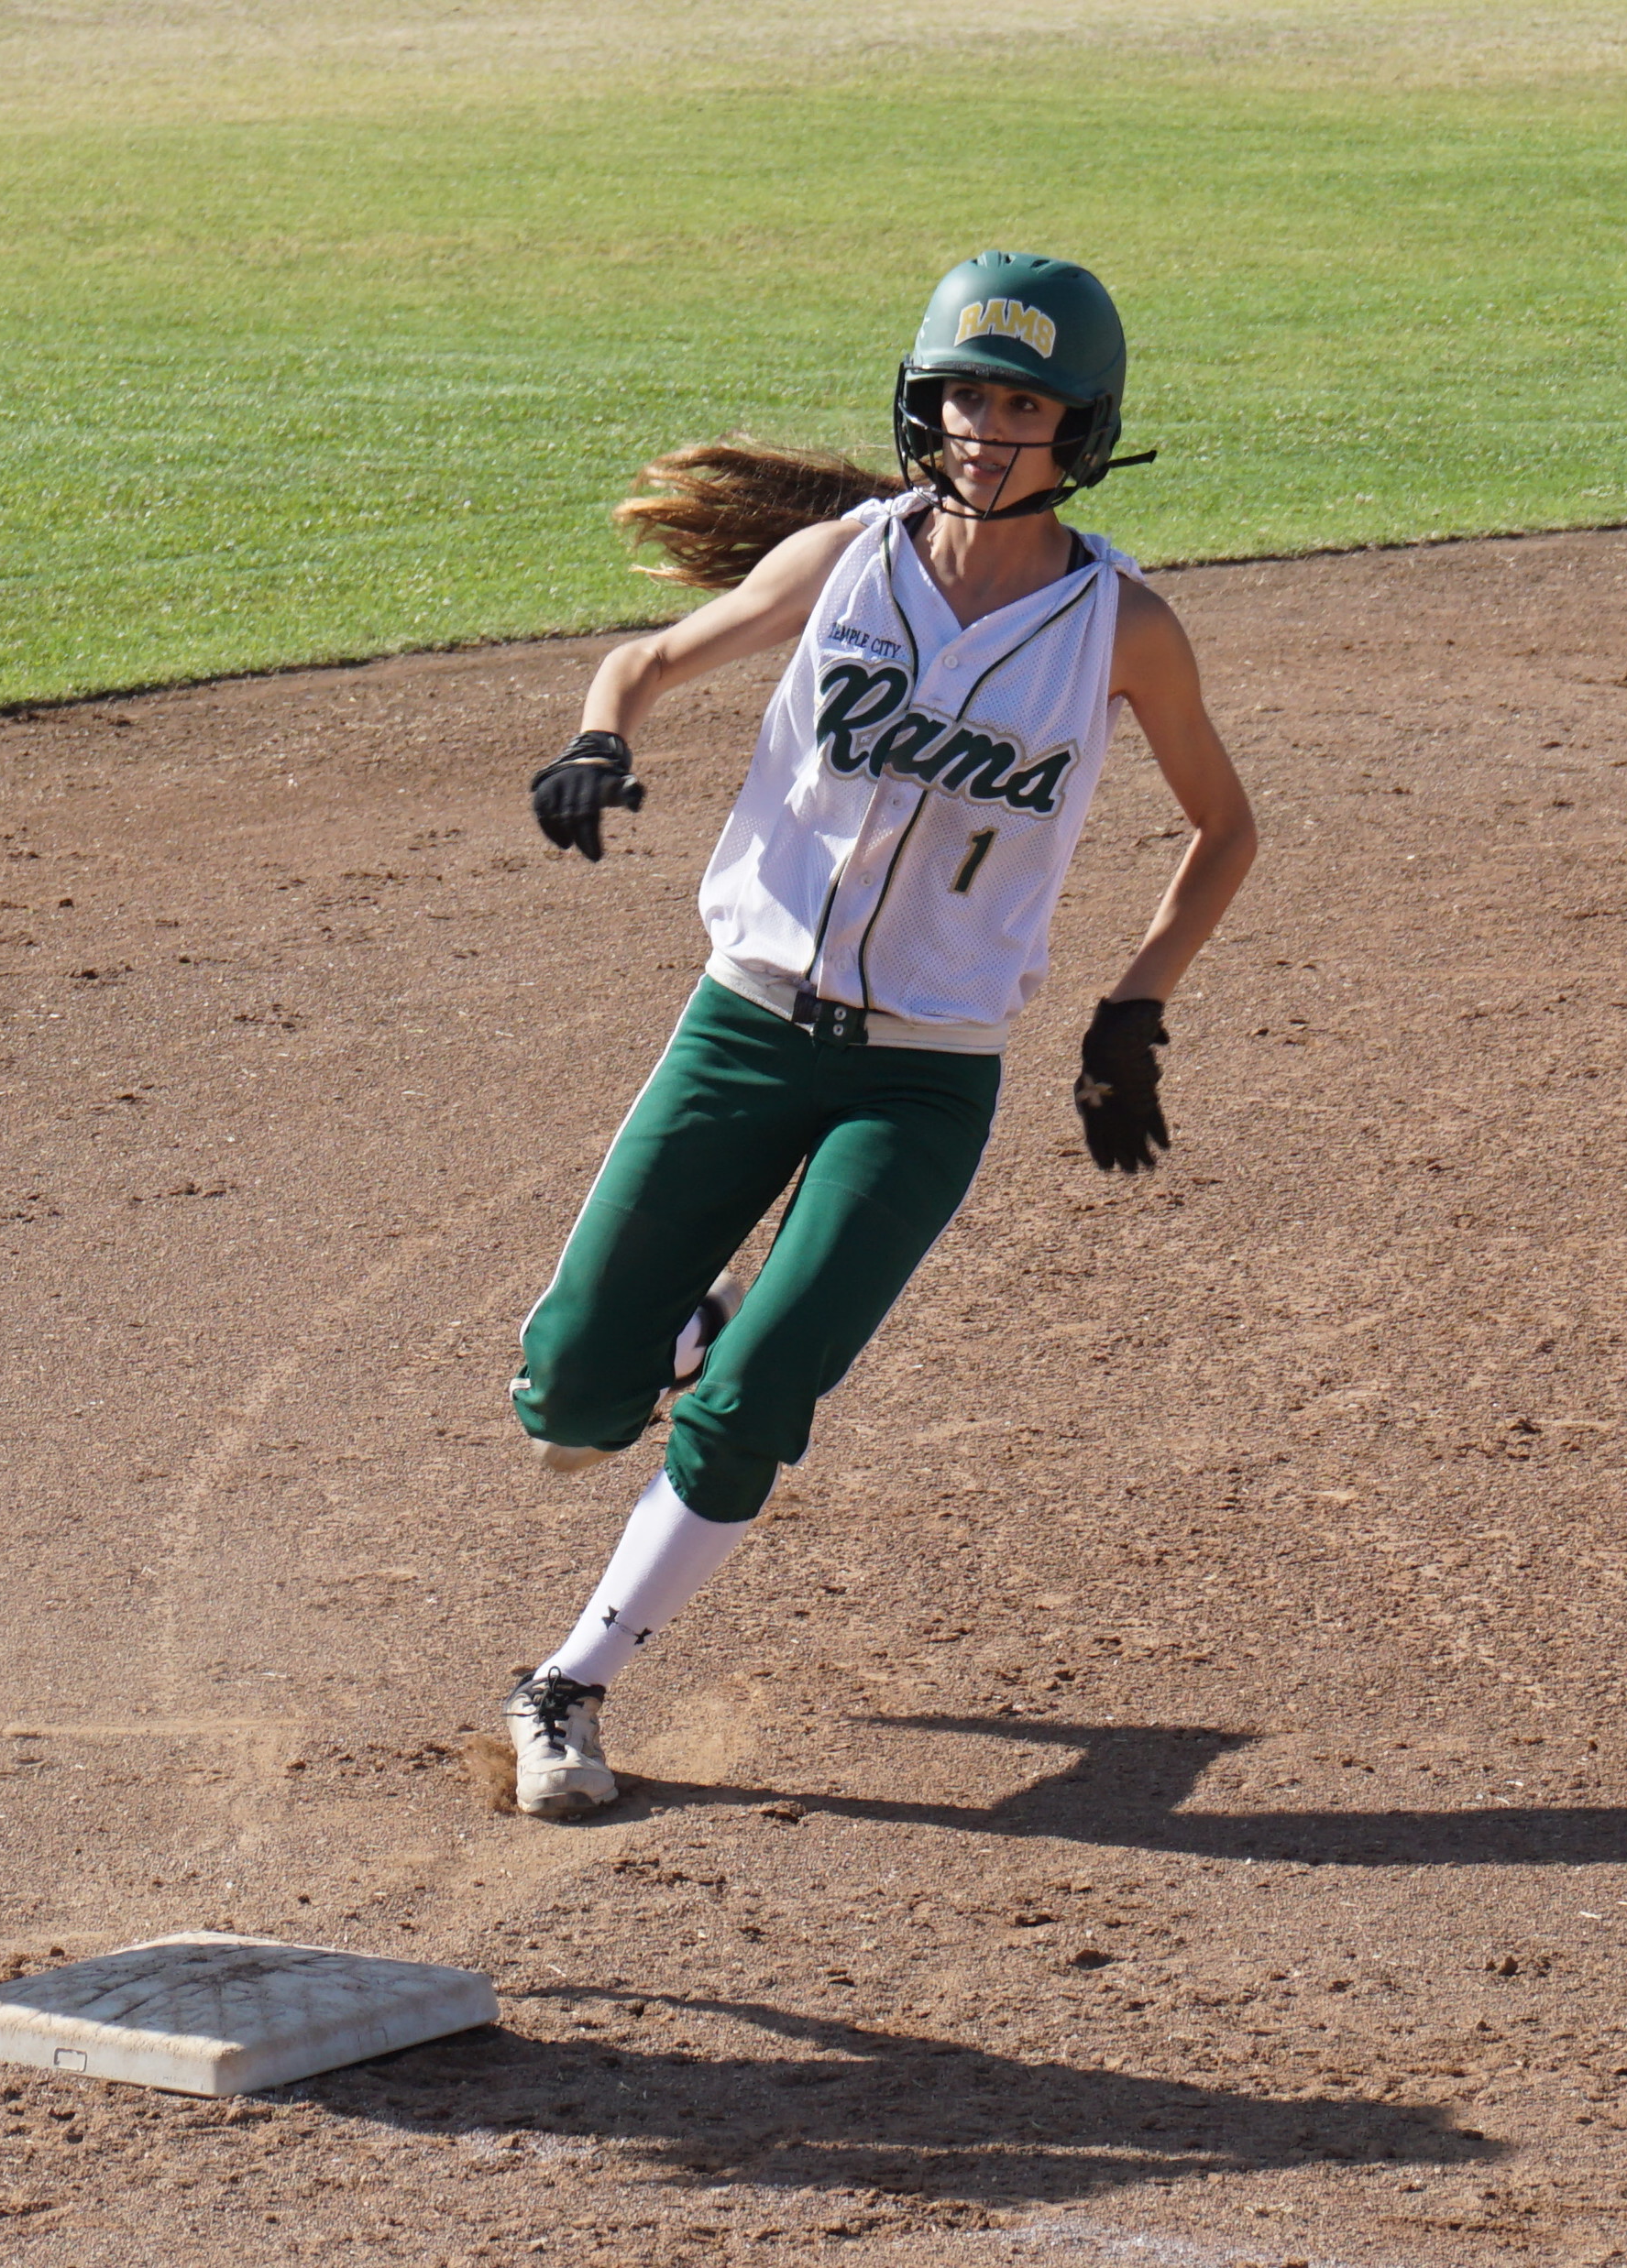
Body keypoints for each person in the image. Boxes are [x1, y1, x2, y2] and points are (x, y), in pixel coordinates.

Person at [504, 249, 1257, 1817]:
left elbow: (1224, 829)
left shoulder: (1124, 626)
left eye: (1026, 403)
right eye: (969, 394)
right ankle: (692, 1330)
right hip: (746, 1029)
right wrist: (597, 737)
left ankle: (567, 1685)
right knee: (571, 1398)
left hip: (924, 1077)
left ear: (1085, 428)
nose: (990, 428)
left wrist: (1135, 1010)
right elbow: (646, 661)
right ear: (930, 404)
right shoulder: (842, 561)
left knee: (754, 1405)